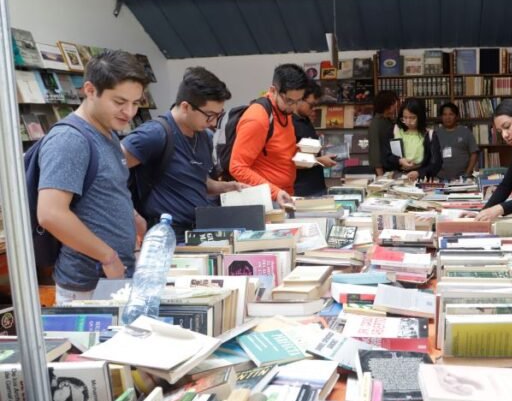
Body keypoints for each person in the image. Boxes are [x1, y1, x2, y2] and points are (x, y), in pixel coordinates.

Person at [37, 50, 149, 303]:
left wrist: (132, 217)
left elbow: (104, 189)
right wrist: (107, 256)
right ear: (90, 90)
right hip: (87, 286)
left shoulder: (108, 132)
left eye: (136, 103)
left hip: (112, 279)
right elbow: (50, 213)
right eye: (119, 102)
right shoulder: (70, 139)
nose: (129, 112)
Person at [122, 66, 243, 240]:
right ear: (186, 107)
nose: (213, 122)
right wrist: (132, 215)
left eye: (218, 115)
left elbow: (197, 180)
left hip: (197, 233)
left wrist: (226, 187)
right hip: (164, 235)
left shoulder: (204, 136)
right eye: (209, 115)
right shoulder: (154, 134)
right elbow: (108, 170)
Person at [229, 64, 309, 207]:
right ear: (273, 91)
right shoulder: (258, 118)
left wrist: (303, 154)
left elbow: (280, 151)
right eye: (289, 101)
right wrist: (274, 192)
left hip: (284, 197)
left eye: (299, 101)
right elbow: (237, 167)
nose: (294, 107)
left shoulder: (285, 111)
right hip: (265, 201)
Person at [293, 81, 337, 196]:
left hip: (317, 186)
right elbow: (292, 161)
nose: (314, 109)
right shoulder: (290, 124)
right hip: (302, 190)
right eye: (311, 105)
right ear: (299, 99)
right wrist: (319, 161)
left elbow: (307, 151)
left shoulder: (306, 120)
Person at [382, 98, 442, 181]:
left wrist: (419, 173)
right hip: (398, 178)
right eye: (405, 118)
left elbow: (436, 163)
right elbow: (385, 157)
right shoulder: (394, 131)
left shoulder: (429, 135)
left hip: (421, 178)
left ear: (420, 117)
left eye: (412, 118)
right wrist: (399, 161)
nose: (408, 122)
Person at [435, 102, 479, 181]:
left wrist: (467, 173)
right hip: (440, 179)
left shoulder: (466, 132)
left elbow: (474, 154)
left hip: (462, 179)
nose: (447, 117)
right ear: (441, 117)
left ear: (456, 116)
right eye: (444, 114)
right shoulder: (436, 134)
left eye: (451, 114)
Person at [368, 90, 399, 176]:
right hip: (383, 170)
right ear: (387, 105)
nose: (395, 106)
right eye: (393, 104)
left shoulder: (388, 120)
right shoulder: (376, 124)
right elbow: (375, 151)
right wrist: (381, 177)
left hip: (392, 165)